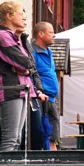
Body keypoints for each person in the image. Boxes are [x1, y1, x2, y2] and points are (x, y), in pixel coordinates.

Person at [0, 1, 40, 152]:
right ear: (9, 16)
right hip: (10, 89)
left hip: (20, 89)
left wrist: (25, 70)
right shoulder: (2, 36)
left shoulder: (16, 37)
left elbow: (30, 66)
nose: (25, 18)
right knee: (10, 139)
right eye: (21, 14)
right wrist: (25, 68)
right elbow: (25, 62)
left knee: (17, 139)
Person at [30, 22, 60, 150]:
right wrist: (38, 92)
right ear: (40, 34)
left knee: (53, 136)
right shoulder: (32, 52)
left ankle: (53, 163)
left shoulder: (49, 51)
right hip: (40, 98)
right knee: (41, 134)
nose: (54, 35)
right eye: (51, 32)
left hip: (52, 99)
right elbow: (31, 75)